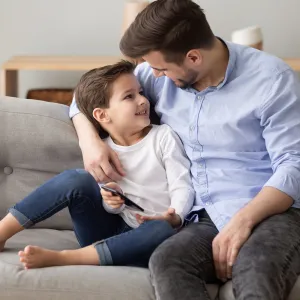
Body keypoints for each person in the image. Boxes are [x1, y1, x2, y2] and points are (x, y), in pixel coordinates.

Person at [69, 0, 300, 299]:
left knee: (256, 268)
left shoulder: (273, 80)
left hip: (271, 210)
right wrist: (91, 142)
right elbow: (84, 96)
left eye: (161, 69)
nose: (155, 76)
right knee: (167, 261)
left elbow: (293, 164)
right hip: (203, 216)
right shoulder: (156, 76)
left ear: (193, 57)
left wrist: (243, 221)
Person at [0, 60, 194, 270]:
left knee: (161, 228)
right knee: (76, 178)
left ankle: (66, 258)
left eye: (141, 92)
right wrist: (111, 201)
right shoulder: (101, 151)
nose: (143, 101)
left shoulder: (163, 137)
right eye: (129, 96)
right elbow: (110, 206)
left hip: (146, 240)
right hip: (106, 232)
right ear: (102, 115)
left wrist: (176, 216)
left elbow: (181, 184)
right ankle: (2, 231)